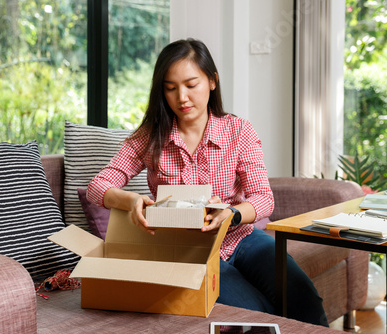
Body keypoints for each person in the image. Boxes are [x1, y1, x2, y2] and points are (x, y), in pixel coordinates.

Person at [87, 38, 328, 326]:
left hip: (241, 238)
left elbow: (263, 198)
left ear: (212, 81)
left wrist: (232, 213)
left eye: (191, 85)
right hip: (188, 252)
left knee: (302, 297)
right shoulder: (150, 137)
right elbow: (97, 186)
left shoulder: (238, 131)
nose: (182, 97)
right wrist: (129, 200)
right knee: (254, 314)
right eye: (170, 88)